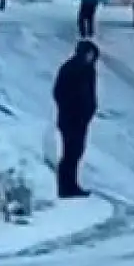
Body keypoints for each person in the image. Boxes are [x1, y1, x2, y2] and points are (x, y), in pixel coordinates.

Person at [53, 39, 99, 198]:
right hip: (69, 118)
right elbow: (58, 92)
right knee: (69, 153)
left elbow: (91, 94)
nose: (90, 57)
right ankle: (64, 187)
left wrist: (91, 109)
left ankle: (73, 184)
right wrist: (69, 107)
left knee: (77, 152)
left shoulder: (90, 71)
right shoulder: (69, 68)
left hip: (82, 119)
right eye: (88, 54)